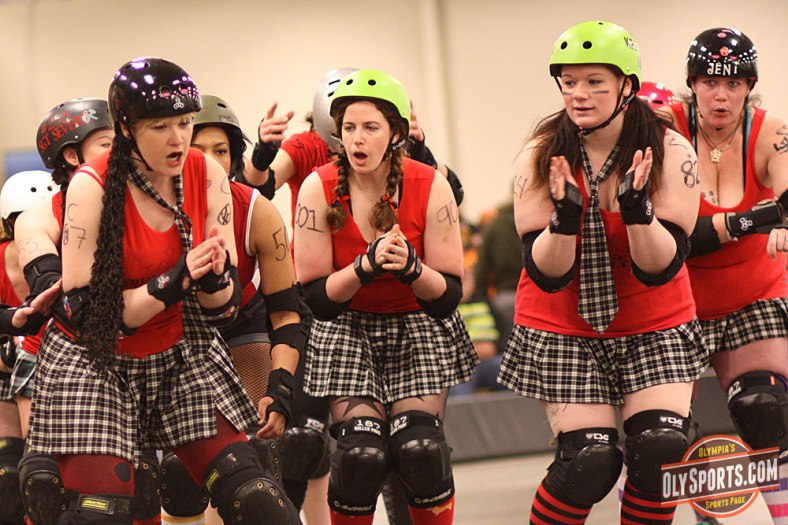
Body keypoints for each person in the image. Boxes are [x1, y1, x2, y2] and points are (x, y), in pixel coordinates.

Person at [25, 57, 304, 525]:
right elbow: (88, 315)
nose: (178, 138)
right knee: (103, 513)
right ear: (126, 129)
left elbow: (222, 310)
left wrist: (214, 280)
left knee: (255, 498)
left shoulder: (206, 173)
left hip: (178, 351)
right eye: (160, 126)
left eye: (184, 122)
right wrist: (175, 280)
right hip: (94, 364)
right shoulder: (91, 187)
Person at [498, 21, 707, 524]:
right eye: (569, 82)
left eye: (594, 81)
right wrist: (564, 220)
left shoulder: (671, 150)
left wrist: (638, 211)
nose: (579, 94)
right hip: (563, 323)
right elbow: (547, 274)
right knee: (588, 462)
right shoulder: (540, 154)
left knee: (660, 449)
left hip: (653, 319)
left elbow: (660, 267)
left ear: (626, 86)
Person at [293, 68, 476, 525]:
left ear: (395, 134)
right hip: (347, 329)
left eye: (370, 127)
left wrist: (412, 268)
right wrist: (363, 268)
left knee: (421, 451)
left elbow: (448, 296)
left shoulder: (429, 184)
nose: (357, 138)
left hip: (417, 325)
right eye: (349, 127)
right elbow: (316, 299)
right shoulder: (318, 187)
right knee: (360, 457)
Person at [158, 93, 309, 525]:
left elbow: (286, 314)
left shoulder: (257, 211)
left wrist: (280, 387)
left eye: (221, 151)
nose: (210, 162)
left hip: (241, 323)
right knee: (176, 471)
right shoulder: (153, 208)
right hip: (174, 332)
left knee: (258, 453)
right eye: (199, 150)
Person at [660, 27, 788, 525]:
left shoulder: (769, 131)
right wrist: (755, 220)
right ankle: (705, 512)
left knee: (765, 408)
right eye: (710, 82)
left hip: (752, 292)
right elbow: (677, 236)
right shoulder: (664, 128)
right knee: (661, 436)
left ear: (749, 86)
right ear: (692, 83)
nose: (721, 95)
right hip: (673, 300)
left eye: (733, 84)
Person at [0, 170, 60, 525]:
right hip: (6, 375)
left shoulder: (65, 260)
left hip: (48, 363)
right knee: (10, 478)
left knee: (46, 475)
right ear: (10, 225)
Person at [472, 200, 521, 348]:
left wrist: (482, 298)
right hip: (535, 297)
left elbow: (482, 267)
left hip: (504, 297)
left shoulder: (495, 225)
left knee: (509, 349)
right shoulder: (540, 220)